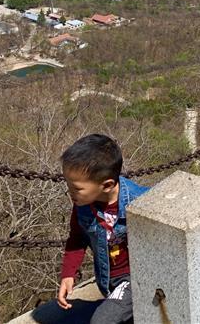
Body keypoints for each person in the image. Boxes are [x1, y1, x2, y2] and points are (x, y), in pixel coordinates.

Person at [57, 134, 149, 323]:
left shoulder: (139, 202)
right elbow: (77, 239)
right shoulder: (83, 206)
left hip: (134, 278)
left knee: (102, 320)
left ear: (106, 185)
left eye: (76, 188)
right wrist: (68, 274)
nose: (70, 192)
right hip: (107, 280)